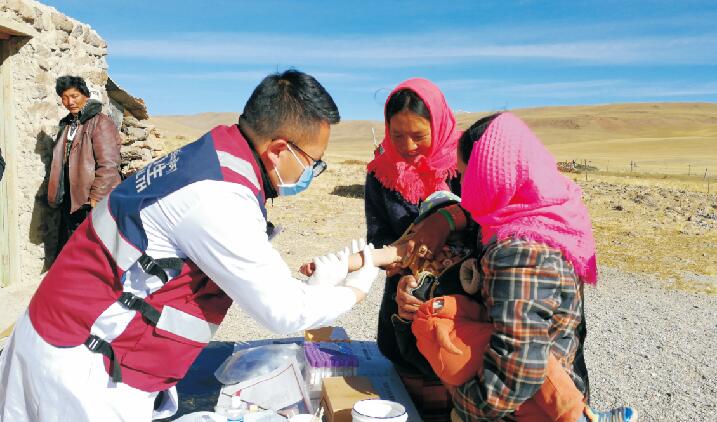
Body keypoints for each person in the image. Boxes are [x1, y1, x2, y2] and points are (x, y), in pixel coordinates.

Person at [0, 70, 379, 422]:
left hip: (74, 341)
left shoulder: (213, 155)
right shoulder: (218, 195)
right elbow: (284, 311)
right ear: (279, 150)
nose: (312, 174)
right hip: (81, 369)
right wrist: (355, 290)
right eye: (314, 163)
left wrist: (312, 288)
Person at [394, 112, 636, 421]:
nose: (463, 187)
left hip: (526, 410)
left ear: (490, 175)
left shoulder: (520, 250)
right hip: (547, 397)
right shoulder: (545, 215)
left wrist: (465, 407)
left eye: (466, 175)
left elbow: (517, 370)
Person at [364, 78, 462, 420]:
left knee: (455, 400)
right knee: (409, 404)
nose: (407, 146)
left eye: (419, 135)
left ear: (439, 125)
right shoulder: (381, 174)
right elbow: (378, 236)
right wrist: (398, 270)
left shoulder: (464, 166)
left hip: (461, 309)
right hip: (403, 306)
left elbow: (483, 228)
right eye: (397, 135)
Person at [47, 75, 123, 255]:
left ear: (86, 96)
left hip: (90, 200)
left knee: (92, 249)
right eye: (65, 97)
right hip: (71, 198)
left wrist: (96, 197)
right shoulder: (68, 124)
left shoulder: (100, 122)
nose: (70, 102)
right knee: (73, 247)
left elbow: (109, 164)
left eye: (74, 96)